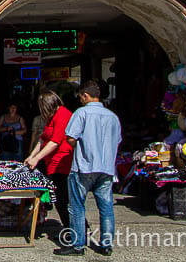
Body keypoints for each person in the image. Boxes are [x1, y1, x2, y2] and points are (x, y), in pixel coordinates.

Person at [58, 80, 121, 257]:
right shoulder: (112, 117)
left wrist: (81, 145)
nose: (80, 100)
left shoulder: (81, 113)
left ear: (86, 95)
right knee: (106, 207)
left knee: (77, 206)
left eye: (81, 97)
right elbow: (117, 141)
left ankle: (78, 245)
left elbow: (71, 137)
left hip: (84, 166)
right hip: (106, 168)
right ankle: (106, 244)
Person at [25, 91, 73, 235]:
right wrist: (31, 156)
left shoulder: (63, 115)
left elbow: (54, 142)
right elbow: (43, 139)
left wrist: (37, 158)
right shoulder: (52, 118)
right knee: (59, 199)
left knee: (63, 199)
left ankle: (75, 230)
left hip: (62, 163)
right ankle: (71, 229)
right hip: (52, 162)